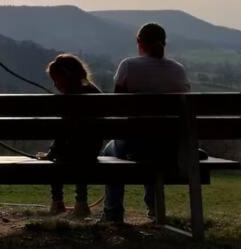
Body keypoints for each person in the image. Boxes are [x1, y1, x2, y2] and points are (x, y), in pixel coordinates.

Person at [102, 22, 190, 223]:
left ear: (139, 43)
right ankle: (154, 206)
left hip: (135, 146)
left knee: (111, 151)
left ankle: (113, 212)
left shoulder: (128, 66)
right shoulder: (178, 70)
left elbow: (118, 107)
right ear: (164, 43)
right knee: (155, 145)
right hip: (169, 148)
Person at [37, 54, 102, 216]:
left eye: (56, 80)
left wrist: (51, 153)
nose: (54, 84)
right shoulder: (96, 92)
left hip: (70, 152)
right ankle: (82, 203)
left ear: (65, 77)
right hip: (92, 150)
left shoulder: (69, 99)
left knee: (57, 159)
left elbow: (62, 133)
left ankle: (57, 202)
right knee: (82, 158)